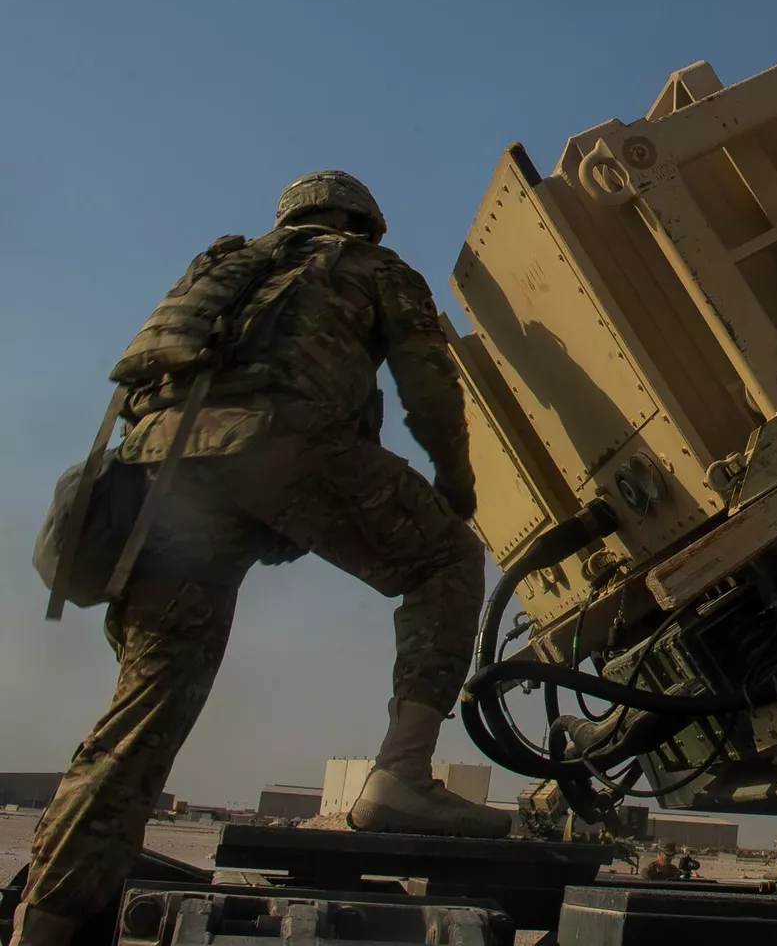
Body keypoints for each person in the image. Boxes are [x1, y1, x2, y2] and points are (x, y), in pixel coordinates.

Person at [13, 172, 510, 946]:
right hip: (277, 442)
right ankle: (402, 776)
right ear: (360, 220)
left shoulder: (225, 267)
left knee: (144, 713)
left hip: (160, 476)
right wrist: (456, 483)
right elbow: (429, 383)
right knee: (445, 557)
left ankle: (45, 920)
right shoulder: (374, 266)